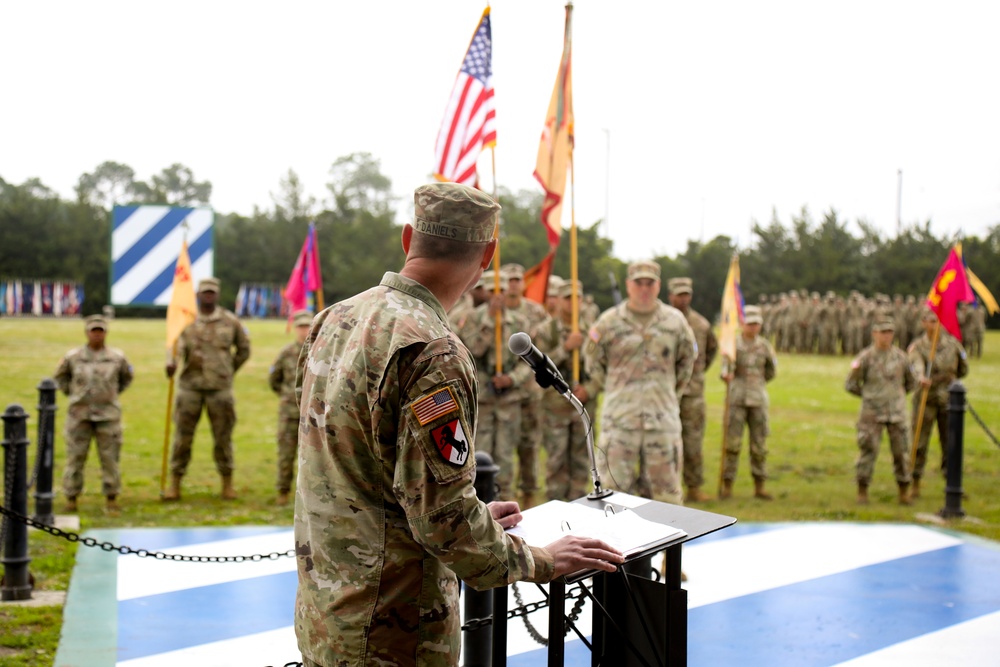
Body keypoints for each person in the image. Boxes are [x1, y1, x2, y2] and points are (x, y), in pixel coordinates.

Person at [293, 182, 623, 667]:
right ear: (487, 255)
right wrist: (541, 559)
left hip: (327, 609)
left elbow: (367, 471)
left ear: (408, 239)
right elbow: (443, 520)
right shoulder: (433, 349)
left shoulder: (335, 319)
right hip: (394, 628)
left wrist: (474, 522)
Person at [584, 260, 696, 504]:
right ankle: (614, 544)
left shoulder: (675, 322)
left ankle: (667, 542)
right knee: (611, 497)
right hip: (620, 422)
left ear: (658, 286)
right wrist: (618, 390)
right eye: (638, 283)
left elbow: (687, 362)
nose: (644, 288)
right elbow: (592, 361)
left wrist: (668, 394)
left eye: (650, 283)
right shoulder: (609, 322)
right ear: (628, 285)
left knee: (667, 497)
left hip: (662, 421)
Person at [164, 277, 251, 501]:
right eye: (205, 292)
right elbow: (175, 346)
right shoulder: (186, 321)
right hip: (190, 388)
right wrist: (171, 362)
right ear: (198, 295)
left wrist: (228, 370)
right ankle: (175, 483)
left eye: (212, 292)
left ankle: (227, 483)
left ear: (218, 294)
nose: (208, 296)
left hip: (220, 389)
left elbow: (243, 349)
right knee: (183, 438)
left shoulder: (230, 321)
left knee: (223, 438)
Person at [456, 271, 532, 500]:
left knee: (506, 456)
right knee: (480, 454)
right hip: (483, 400)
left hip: (509, 401)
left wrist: (512, 379)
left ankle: (506, 501)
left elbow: (527, 362)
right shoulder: (472, 319)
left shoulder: (520, 321)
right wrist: (490, 319)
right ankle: (481, 503)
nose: (497, 297)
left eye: (501, 291)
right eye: (492, 292)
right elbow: (472, 350)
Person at [54, 315, 134, 515]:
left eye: (100, 330)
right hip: (79, 415)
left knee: (110, 458)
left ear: (105, 333)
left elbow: (126, 377)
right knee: (75, 456)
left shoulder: (117, 357)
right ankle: (71, 496)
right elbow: (61, 377)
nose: (97, 334)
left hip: (108, 415)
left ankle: (111, 497)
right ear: (87, 332)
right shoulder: (73, 357)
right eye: (93, 330)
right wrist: (75, 395)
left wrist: (110, 395)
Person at [845, 319, 917, 505]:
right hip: (872, 413)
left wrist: (895, 397)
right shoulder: (865, 358)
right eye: (883, 332)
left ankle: (903, 491)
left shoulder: (901, 358)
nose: (887, 336)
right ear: (874, 333)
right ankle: (862, 490)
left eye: (890, 332)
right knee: (868, 450)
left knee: (901, 453)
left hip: (896, 412)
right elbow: (851, 384)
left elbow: (911, 383)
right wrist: (870, 396)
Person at [539, 279, 595, 501]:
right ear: (559, 300)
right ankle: (556, 504)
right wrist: (565, 348)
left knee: (582, 458)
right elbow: (540, 367)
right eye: (567, 298)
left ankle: (580, 502)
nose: (573, 303)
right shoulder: (547, 330)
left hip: (583, 403)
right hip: (556, 406)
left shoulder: (592, 330)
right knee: (557, 459)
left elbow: (601, 366)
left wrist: (590, 388)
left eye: (577, 298)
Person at [907, 308, 969, 497]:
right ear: (923, 323)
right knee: (920, 442)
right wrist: (921, 377)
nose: (932, 324)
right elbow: (915, 364)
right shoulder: (918, 346)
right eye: (929, 321)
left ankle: (952, 482)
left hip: (949, 401)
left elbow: (963, 368)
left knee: (951, 442)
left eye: (935, 321)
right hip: (926, 399)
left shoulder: (953, 344)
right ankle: (915, 480)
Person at [667, 277, 718, 502]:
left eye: (686, 294)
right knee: (664, 442)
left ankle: (694, 487)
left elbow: (711, 351)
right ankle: (667, 487)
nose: (683, 298)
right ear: (670, 296)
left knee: (693, 441)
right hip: (666, 392)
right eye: (679, 294)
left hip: (693, 393)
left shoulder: (701, 324)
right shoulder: (663, 321)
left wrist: (695, 374)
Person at [721, 305, 777, 500]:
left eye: (756, 324)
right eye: (749, 323)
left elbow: (771, 371)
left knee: (759, 445)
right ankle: (727, 485)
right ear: (742, 323)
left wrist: (757, 384)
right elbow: (724, 370)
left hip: (758, 400)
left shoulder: (765, 346)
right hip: (736, 399)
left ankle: (759, 486)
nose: (753, 327)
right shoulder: (732, 345)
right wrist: (727, 376)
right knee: (732, 444)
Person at [269, 309, 312, 506]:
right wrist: (288, 396)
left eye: (308, 326)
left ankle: (310, 496)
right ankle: (283, 491)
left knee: (313, 457)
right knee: (286, 453)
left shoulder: (322, 349)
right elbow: (274, 379)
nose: (304, 330)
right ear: (296, 328)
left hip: (314, 414)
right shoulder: (287, 353)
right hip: (289, 413)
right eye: (301, 326)